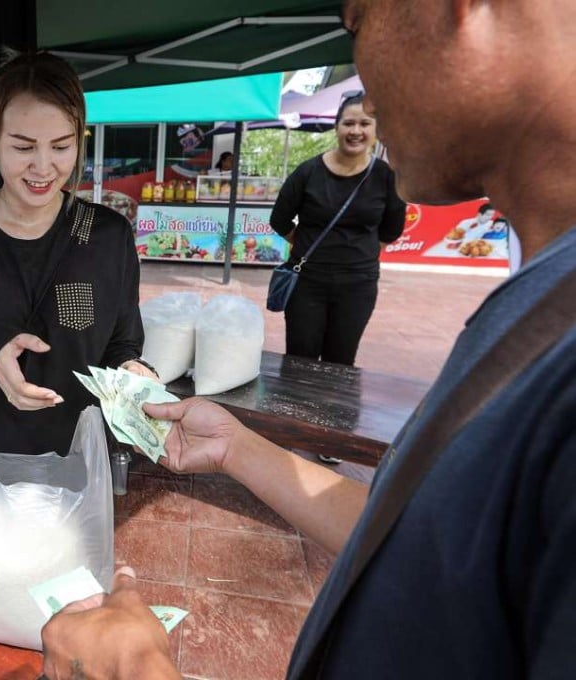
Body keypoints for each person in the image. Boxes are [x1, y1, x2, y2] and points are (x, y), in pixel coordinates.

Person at [40, 0, 576, 678]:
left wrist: (136, 670)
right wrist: (240, 447)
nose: (361, 77)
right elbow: (434, 539)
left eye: (357, 20)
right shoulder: (544, 294)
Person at [0, 51, 154, 522]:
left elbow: (122, 340)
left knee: (71, 588)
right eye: (23, 147)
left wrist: (134, 371)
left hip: (75, 459)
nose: (43, 167)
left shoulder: (105, 235)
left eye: (61, 146)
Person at [270, 93, 406, 369]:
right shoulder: (308, 172)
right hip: (307, 282)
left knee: (341, 362)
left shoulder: (386, 176)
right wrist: (305, 247)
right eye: (348, 123)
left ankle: (334, 414)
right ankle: (294, 413)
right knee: (300, 360)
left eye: (365, 124)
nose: (356, 131)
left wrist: (358, 256)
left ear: (376, 130)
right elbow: (280, 219)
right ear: (337, 127)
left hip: (358, 285)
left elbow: (391, 230)